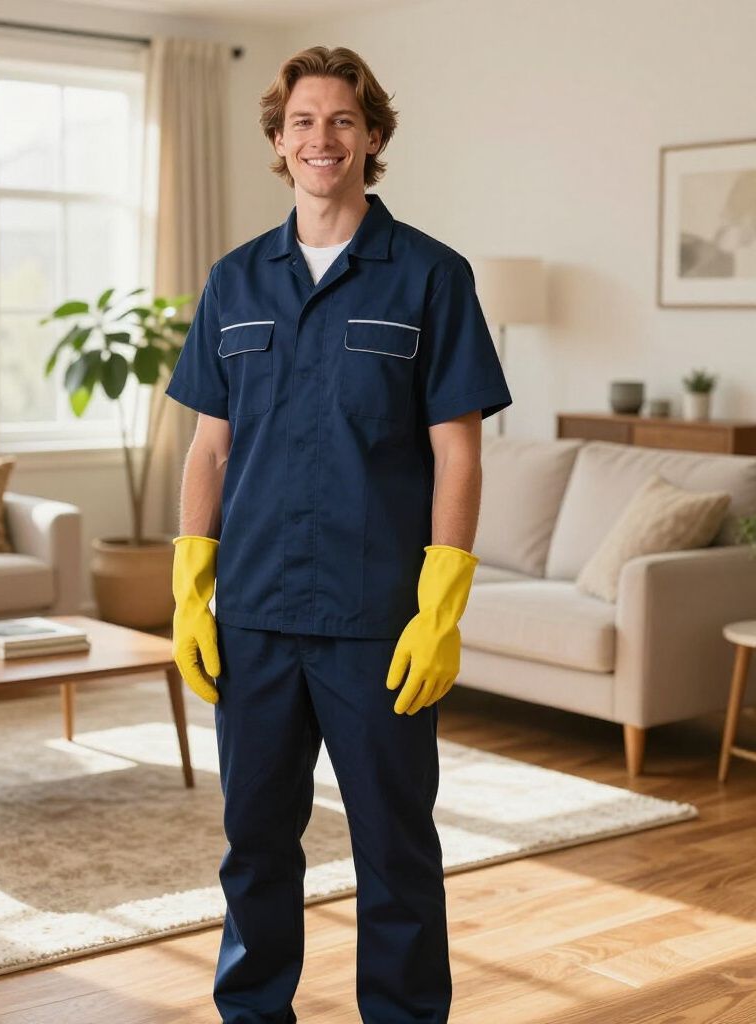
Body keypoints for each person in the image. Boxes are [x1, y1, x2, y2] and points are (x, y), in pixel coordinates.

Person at [165, 45, 512, 1024]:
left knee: (394, 844)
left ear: (372, 138)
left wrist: (440, 607)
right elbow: (208, 451)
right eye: (304, 122)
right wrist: (192, 589)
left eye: (343, 121)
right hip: (257, 614)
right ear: (278, 142)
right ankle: (252, 1012)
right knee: (255, 841)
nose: (323, 139)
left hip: (376, 618)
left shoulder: (431, 278)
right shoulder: (234, 283)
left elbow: (459, 455)